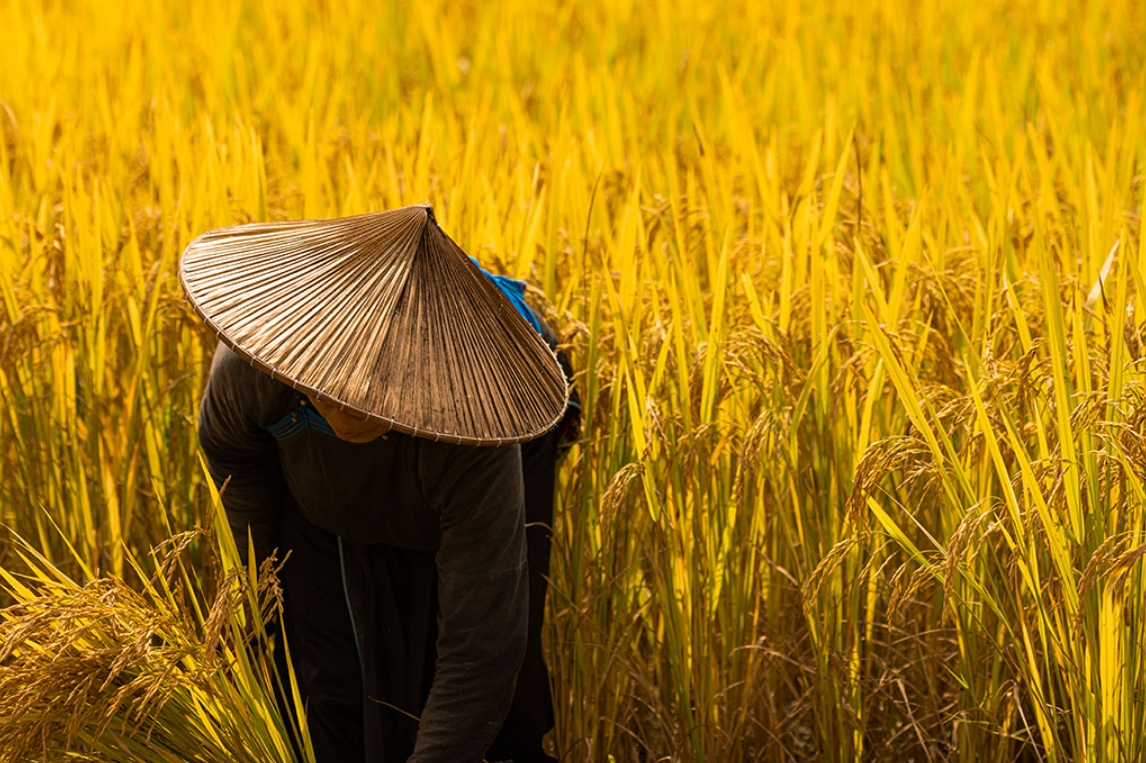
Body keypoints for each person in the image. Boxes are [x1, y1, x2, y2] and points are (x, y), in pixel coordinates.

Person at [183, 206, 579, 763]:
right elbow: (235, 462)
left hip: (496, 421)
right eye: (329, 383)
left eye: (372, 388)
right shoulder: (253, 372)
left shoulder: (479, 427)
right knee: (322, 686)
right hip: (314, 488)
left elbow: (480, 648)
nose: (348, 406)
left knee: (502, 716)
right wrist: (255, 589)